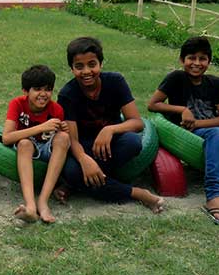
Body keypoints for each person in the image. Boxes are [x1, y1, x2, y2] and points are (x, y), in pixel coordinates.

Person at [148, 36, 219, 228]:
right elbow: (153, 105)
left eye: (202, 59)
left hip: (213, 130)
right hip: (190, 133)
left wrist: (200, 122)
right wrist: (182, 110)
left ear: (209, 62)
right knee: (217, 133)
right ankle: (214, 195)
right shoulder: (176, 78)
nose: (196, 63)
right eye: (191, 58)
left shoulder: (215, 83)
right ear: (182, 60)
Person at [56, 36, 165, 213]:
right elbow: (72, 140)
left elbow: (137, 123)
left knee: (132, 142)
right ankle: (138, 193)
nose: (86, 71)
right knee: (73, 171)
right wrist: (85, 160)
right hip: (84, 148)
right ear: (71, 68)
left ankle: (75, 185)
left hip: (111, 145)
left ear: (101, 63)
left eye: (92, 64)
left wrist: (110, 129)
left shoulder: (115, 82)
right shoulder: (67, 95)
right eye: (79, 66)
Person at [1, 65, 70, 223]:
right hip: (26, 147)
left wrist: (63, 129)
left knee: (64, 138)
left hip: (46, 148)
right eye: (37, 89)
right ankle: (30, 206)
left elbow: (63, 141)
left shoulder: (56, 109)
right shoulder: (17, 104)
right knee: (24, 144)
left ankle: (43, 201)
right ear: (26, 91)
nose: (43, 94)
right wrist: (40, 127)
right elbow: (6, 137)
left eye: (48, 89)